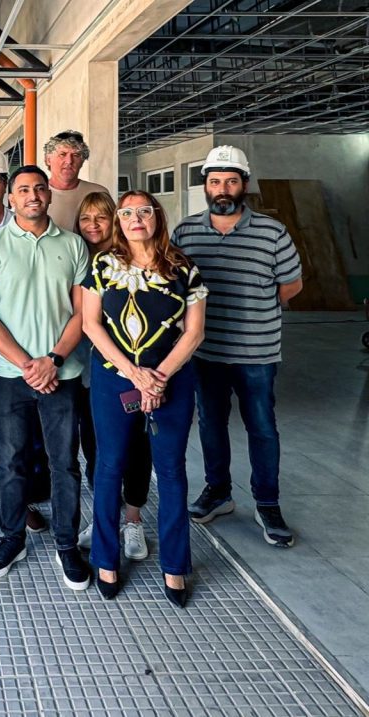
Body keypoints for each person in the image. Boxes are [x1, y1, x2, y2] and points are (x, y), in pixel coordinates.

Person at [82, 190, 208, 607]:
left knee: (171, 470)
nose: (136, 218)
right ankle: (106, 559)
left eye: (144, 211)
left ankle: (175, 565)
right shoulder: (103, 265)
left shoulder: (183, 268)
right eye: (127, 213)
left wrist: (158, 379)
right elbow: (91, 325)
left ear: (157, 217)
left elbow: (194, 332)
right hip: (113, 378)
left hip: (171, 379)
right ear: (119, 221)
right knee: (109, 465)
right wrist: (134, 374)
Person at [174, 146, 303, 547]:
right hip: (206, 351)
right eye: (215, 181)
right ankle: (219, 492)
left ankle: (268, 504)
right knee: (211, 424)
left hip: (257, 353)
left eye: (231, 181)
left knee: (261, 427)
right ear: (206, 186)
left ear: (244, 185)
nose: (223, 189)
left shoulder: (272, 231)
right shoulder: (186, 232)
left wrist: (254, 310)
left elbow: (291, 285)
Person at [0, 165, 91, 587]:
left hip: (63, 372)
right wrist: (28, 364)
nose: (33, 195)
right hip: (8, 375)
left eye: (40, 188)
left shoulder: (74, 245)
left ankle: (66, 544)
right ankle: (12, 537)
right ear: (11, 198)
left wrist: (53, 360)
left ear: (49, 195)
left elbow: (82, 313)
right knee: (12, 461)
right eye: (23, 190)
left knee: (65, 464)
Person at [73, 192, 153, 561]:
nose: (93, 225)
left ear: (115, 221)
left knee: (137, 447)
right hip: (89, 371)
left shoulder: (135, 257)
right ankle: (104, 518)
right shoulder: (77, 257)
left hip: (133, 375)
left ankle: (133, 520)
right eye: (86, 218)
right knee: (96, 449)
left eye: (101, 217)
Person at [43, 130, 110, 231]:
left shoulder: (98, 192)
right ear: (48, 160)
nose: (69, 161)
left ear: (82, 161)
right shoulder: (37, 195)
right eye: (63, 154)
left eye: (76, 155)